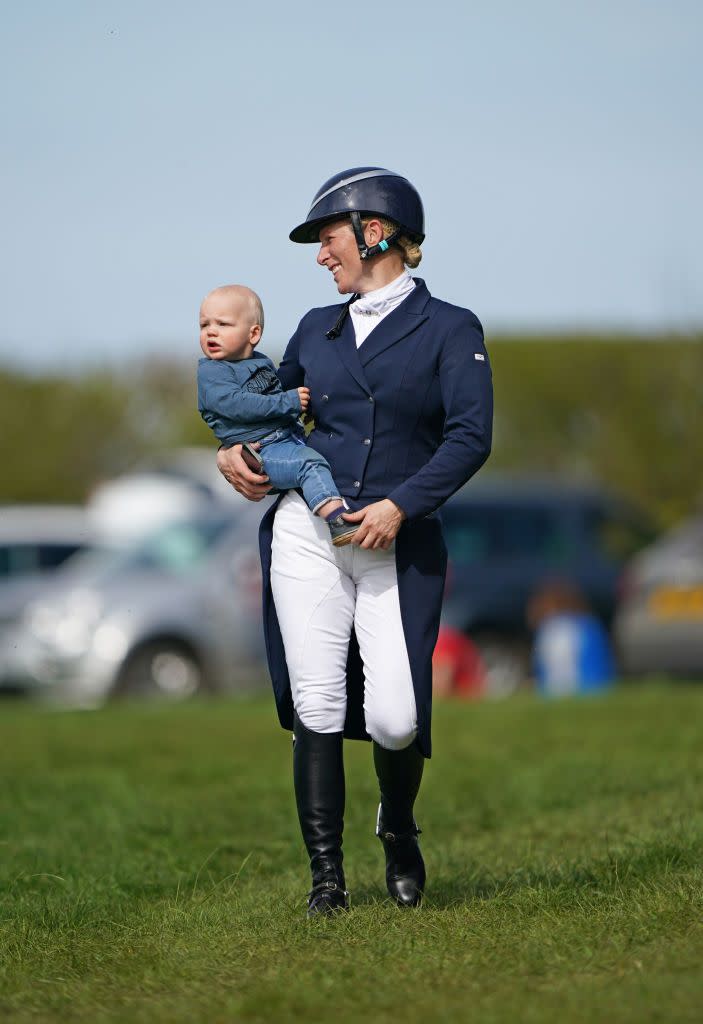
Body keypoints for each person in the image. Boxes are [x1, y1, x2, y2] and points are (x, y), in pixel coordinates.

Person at [217, 167, 493, 915]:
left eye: (326, 238)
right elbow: (269, 416)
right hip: (308, 536)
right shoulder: (315, 328)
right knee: (316, 701)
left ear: (374, 231)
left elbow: (470, 437)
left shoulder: (451, 328)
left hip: (393, 542)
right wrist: (230, 452)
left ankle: (397, 825)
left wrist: (401, 507)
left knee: (396, 718)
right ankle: (326, 881)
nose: (318, 256)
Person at [198, 284, 357, 546]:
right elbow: (238, 405)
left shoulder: (258, 362)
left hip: (286, 439)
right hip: (262, 453)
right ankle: (338, 520)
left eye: (223, 324)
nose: (211, 332)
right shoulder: (212, 373)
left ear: (254, 334)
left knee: (324, 458)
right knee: (309, 464)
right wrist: (289, 402)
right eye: (204, 325)